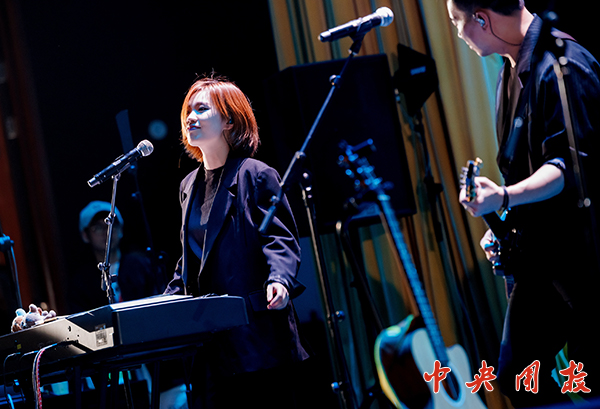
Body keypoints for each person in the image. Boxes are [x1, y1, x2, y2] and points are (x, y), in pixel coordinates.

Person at [451, 0, 600, 407]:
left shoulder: (563, 66)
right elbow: (523, 170)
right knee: (519, 376)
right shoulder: (509, 74)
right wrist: (504, 219)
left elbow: (566, 167)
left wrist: (503, 196)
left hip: (581, 255)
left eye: (457, 22)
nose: (459, 34)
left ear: (481, 19)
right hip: (542, 254)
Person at [163, 75, 309, 408]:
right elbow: (190, 260)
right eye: (188, 111)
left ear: (229, 121)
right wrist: (161, 306)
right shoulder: (188, 186)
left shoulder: (256, 174)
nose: (191, 117)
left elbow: (280, 239)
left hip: (256, 339)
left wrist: (280, 280)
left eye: (202, 109)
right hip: (211, 345)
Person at [67, 200, 159, 313]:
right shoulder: (81, 282)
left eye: (111, 225)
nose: (106, 232)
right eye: (97, 227)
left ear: (121, 229)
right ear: (85, 235)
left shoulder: (143, 266)